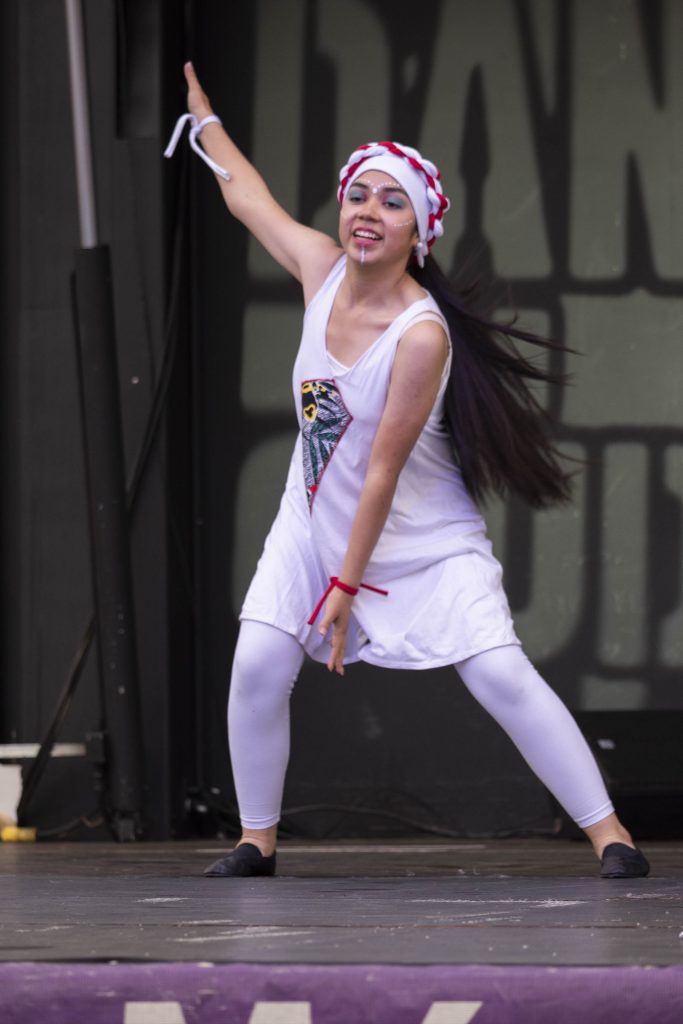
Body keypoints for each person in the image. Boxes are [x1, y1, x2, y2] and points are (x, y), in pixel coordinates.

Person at [165, 62, 649, 881]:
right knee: (256, 664)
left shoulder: (419, 335)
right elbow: (249, 199)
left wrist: (345, 588)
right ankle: (256, 841)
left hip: (418, 538)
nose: (368, 211)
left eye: (392, 203)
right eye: (359, 195)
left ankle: (612, 836)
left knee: (499, 672)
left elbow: (382, 473)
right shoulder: (319, 269)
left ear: (418, 234)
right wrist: (203, 121)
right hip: (313, 518)